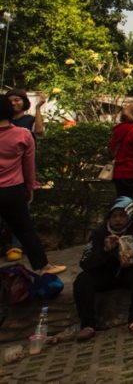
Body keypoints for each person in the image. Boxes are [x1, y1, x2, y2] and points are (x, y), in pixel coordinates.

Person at [74, 197, 133, 340]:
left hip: (131, 272)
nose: (118, 220)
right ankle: (88, 325)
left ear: (130, 215)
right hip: (107, 273)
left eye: (122, 216)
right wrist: (105, 250)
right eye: (114, 216)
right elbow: (85, 263)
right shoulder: (101, 231)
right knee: (82, 280)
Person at [0, 95, 65, 274]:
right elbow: (29, 167)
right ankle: (43, 266)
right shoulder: (23, 134)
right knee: (25, 230)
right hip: (13, 190)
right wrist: (30, 188)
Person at [3, 90, 45, 262]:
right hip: (7, 173)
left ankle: (16, 246)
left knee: (21, 213)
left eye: (17, 100)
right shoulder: (5, 122)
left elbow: (40, 132)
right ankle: (41, 264)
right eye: (10, 100)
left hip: (19, 172)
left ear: (24, 102)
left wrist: (38, 108)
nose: (14, 103)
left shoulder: (27, 123)